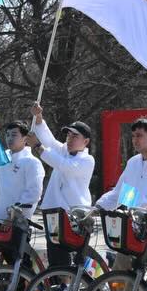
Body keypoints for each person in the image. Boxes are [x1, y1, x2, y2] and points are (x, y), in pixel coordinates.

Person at [31, 103, 95, 266]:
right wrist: (39, 119)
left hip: (74, 213)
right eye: (68, 136)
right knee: (54, 254)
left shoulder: (87, 160)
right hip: (53, 211)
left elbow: (64, 165)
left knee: (69, 254)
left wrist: (38, 147)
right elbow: (49, 141)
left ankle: (71, 285)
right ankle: (60, 285)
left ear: (85, 141)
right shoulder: (63, 151)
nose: (70, 139)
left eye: (75, 136)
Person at [96, 117, 147, 210]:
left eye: (139, 135)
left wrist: (134, 209)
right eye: (133, 136)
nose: (134, 140)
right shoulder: (133, 162)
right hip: (137, 221)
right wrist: (98, 207)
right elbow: (119, 193)